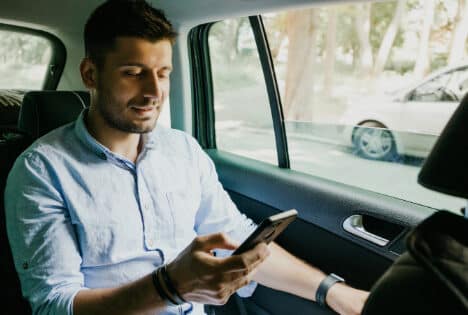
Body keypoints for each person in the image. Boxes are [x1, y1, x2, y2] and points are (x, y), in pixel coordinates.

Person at [4, 1, 369, 314]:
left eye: (163, 73)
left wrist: (334, 292)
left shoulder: (184, 151)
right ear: (90, 74)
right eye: (133, 73)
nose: (153, 92)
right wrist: (168, 287)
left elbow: (235, 238)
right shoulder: (41, 170)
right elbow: (54, 304)